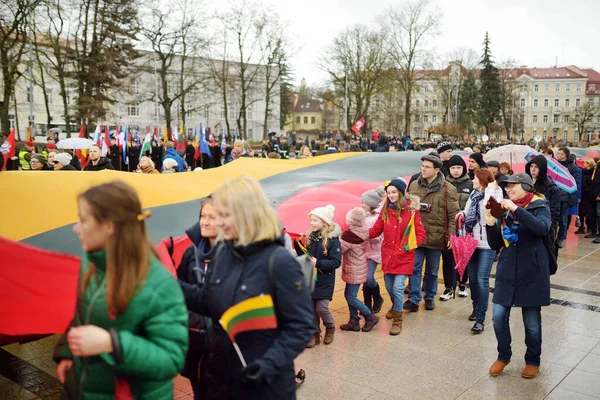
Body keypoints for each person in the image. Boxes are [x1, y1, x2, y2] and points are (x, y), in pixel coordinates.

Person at [178, 175, 314, 399]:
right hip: (222, 381)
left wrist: (268, 365)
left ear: (247, 215)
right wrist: (169, 287)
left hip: (265, 387)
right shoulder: (223, 252)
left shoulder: (279, 262)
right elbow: (208, 299)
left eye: (224, 215)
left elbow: (301, 327)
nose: (218, 223)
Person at [53, 181, 188, 399]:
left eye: (83, 219)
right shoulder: (92, 260)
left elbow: (171, 359)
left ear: (109, 226)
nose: (76, 227)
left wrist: (112, 343)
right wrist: (68, 354)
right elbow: (84, 314)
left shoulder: (159, 285)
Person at [485, 173, 551, 379]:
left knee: (531, 323)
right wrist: (489, 224)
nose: (509, 190)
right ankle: (503, 355)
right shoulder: (505, 211)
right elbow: (496, 244)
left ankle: (533, 360)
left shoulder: (540, 206)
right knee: (498, 317)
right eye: (507, 187)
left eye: (513, 186)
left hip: (532, 270)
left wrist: (517, 210)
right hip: (507, 269)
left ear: (526, 187)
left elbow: (542, 229)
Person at [369, 179, 426, 335]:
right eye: (388, 193)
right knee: (388, 287)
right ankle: (396, 307)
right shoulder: (386, 210)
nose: (391, 195)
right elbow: (375, 230)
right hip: (388, 256)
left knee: (398, 288)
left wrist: (409, 246)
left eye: (394, 192)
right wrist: (358, 232)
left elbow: (421, 234)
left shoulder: (412, 211)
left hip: (404, 256)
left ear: (401, 192)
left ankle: (398, 321)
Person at [177, 197, 219, 398]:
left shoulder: (237, 256)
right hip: (195, 342)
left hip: (222, 349)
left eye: (213, 217)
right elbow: (180, 291)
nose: (205, 221)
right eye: (203, 216)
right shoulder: (190, 253)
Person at [406, 154, 459, 311]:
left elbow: (453, 215)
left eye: (427, 167)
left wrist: (452, 235)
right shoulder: (415, 184)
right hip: (417, 234)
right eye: (422, 165)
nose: (423, 168)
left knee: (432, 270)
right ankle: (414, 299)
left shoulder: (448, 189)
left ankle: (429, 297)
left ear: (436, 170)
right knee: (414, 268)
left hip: (437, 236)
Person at [461, 168, 502, 333]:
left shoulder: (495, 193)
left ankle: (480, 318)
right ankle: (475, 307)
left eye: (475, 178)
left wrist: (490, 190)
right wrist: (462, 214)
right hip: (471, 242)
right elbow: (467, 210)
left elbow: (496, 211)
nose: (472, 181)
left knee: (481, 279)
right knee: (472, 278)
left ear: (483, 181)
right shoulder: (473, 194)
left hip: (487, 243)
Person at [296, 204, 342, 348]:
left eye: (315, 220)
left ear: (324, 222)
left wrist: (319, 263)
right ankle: (314, 333)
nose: (311, 223)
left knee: (321, 308)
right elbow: (305, 256)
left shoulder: (333, 241)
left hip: (325, 280)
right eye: (311, 220)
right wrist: (298, 246)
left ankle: (330, 327)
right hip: (311, 279)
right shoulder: (310, 237)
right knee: (311, 308)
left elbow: (336, 262)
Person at [339, 208, 380, 332]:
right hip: (360, 265)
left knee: (350, 296)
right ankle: (354, 321)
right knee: (349, 295)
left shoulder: (348, 236)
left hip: (353, 268)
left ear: (350, 220)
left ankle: (370, 316)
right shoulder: (364, 232)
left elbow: (339, 250)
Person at [440, 155, 473, 301]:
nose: (455, 171)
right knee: (447, 258)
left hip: (465, 227)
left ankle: (462, 283)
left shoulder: (470, 184)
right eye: (453, 168)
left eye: (458, 168)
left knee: (463, 256)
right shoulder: (443, 184)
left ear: (463, 169)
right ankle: (449, 287)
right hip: (448, 227)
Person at [525, 155, 561, 245]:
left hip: (543, 225)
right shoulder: (525, 184)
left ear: (542, 168)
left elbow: (554, 211)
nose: (533, 169)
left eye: (536, 167)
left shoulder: (551, 188)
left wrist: (551, 230)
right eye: (531, 166)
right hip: (527, 224)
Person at [360, 187, 386, 313]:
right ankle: (367, 305)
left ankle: (377, 297)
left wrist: (365, 234)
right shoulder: (361, 215)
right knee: (364, 279)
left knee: (369, 278)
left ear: (371, 204)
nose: (361, 204)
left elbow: (378, 237)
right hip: (362, 251)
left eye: (364, 202)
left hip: (374, 251)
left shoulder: (378, 217)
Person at [555, 147, 581, 248]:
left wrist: (573, 198)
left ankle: (561, 238)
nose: (557, 155)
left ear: (564, 155)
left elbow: (576, 183)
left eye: (559, 153)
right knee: (553, 218)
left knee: (563, 219)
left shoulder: (573, 167)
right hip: (554, 196)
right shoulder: (555, 165)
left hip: (565, 196)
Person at [578, 158, 596, 235]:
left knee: (589, 213)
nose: (584, 164)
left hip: (589, 195)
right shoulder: (582, 172)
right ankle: (581, 226)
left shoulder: (593, 172)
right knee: (581, 212)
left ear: (590, 164)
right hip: (582, 194)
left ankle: (589, 226)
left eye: (586, 163)